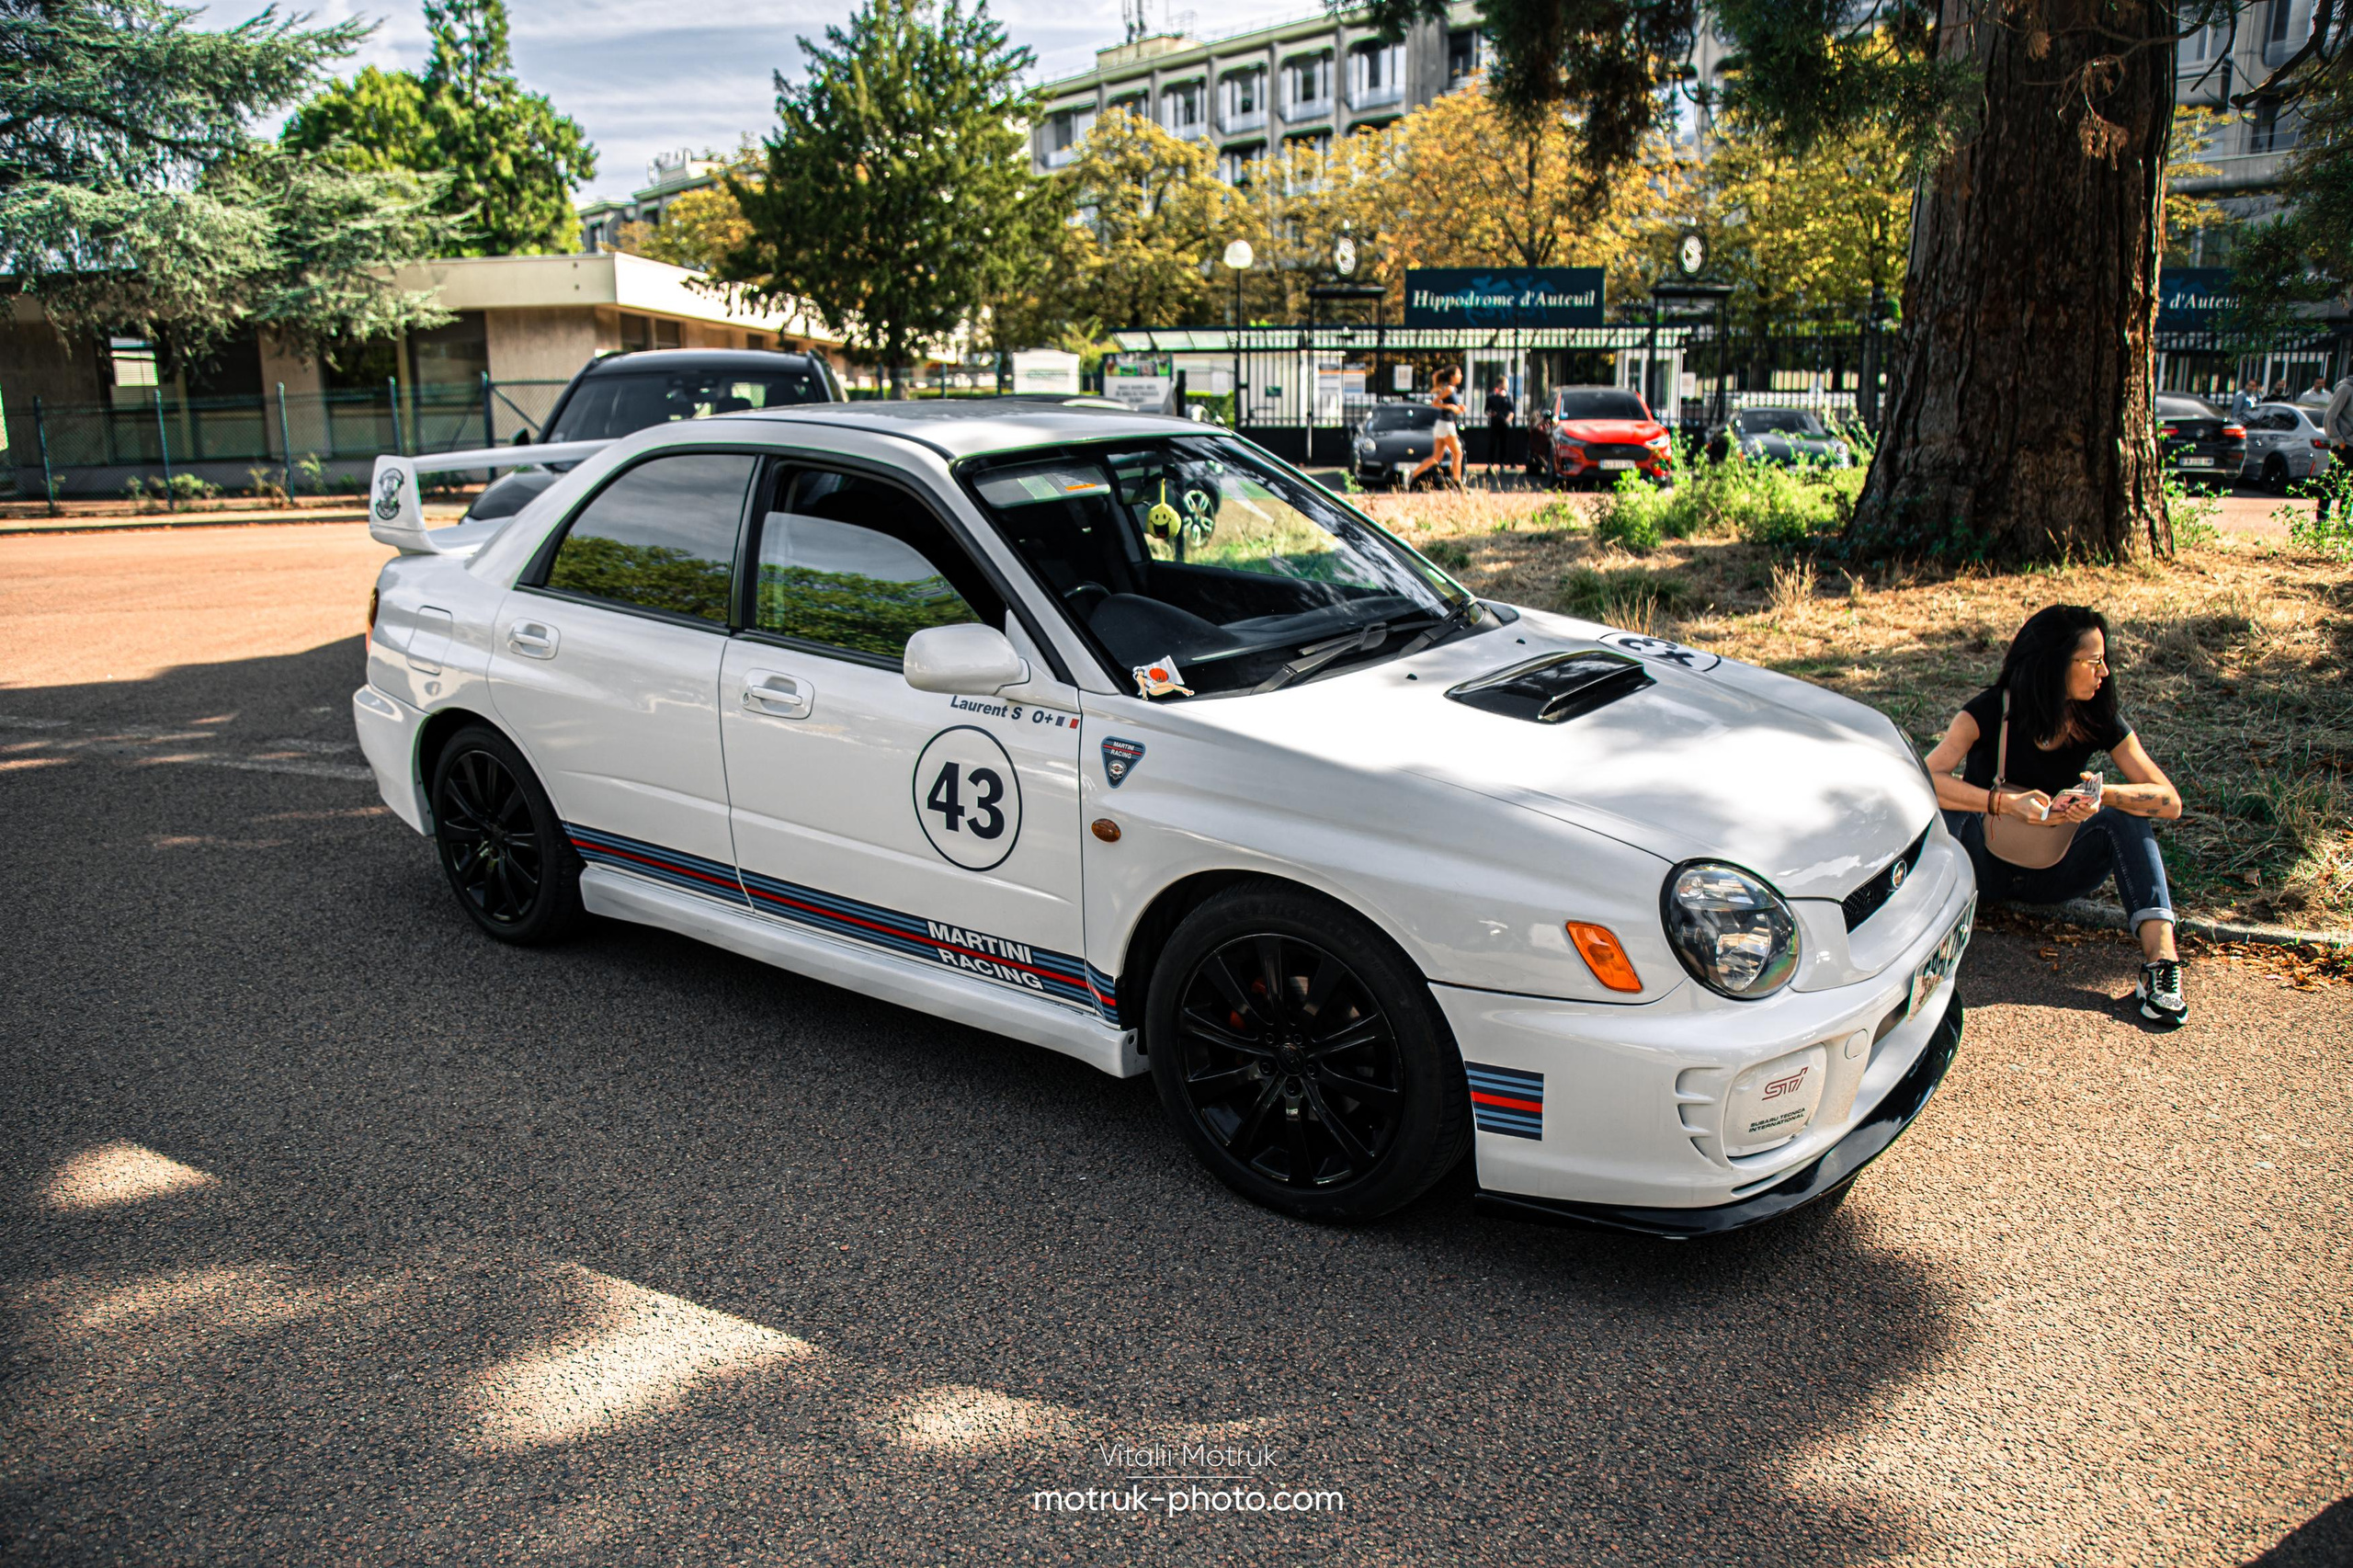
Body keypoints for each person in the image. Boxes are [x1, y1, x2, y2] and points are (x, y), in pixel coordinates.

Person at [1923, 605, 2189, 1027]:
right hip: (1981, 870)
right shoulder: (1990, 710)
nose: (2104, 673)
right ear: (2054, 664)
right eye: (2094, 662)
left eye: (2105, 661)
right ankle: (1923, 951)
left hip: (2056, 871)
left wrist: (2103, 796)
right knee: (1948, 812)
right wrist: (2003, 803)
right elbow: (1926, 777)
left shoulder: (2096, 715)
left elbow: (2168, 801)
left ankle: (2161, 966)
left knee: (2127, 817)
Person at [1404, 367, 1467, 491]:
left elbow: (1449, 406)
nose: (1461, 376)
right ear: (1452, 376)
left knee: (1437, 457)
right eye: (1459, 374)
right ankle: (1458, 484)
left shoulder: (1452, 389)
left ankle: (1413, 475)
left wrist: (1458, 408)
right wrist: (1451, 407)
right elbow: (1436, 402)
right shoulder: (1448, 389)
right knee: (1458, 453)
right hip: (1446, 425)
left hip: (1442, 425)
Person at [2321, 369, 2353, 523]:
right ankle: (2322, 521)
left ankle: (2344, 521)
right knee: (2332, 484)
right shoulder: (2346, 388)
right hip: (2344, 446)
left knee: (2350, 487)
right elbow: (2329, 417)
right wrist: (2339, 441)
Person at [1483, 381, 1516, 475]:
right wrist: (1491, 414)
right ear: (1499, 384)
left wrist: (1508, 420)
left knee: (1504, 444)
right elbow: (1486, 410)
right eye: (1505, 384)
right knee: (1492, 443)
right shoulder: (1491, 397)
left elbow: (1511, 410)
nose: (1506, 386)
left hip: (1504, 424)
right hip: (1494, 423)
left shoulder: (1508, 397)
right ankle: (1490, 464)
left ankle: (1502, 464)